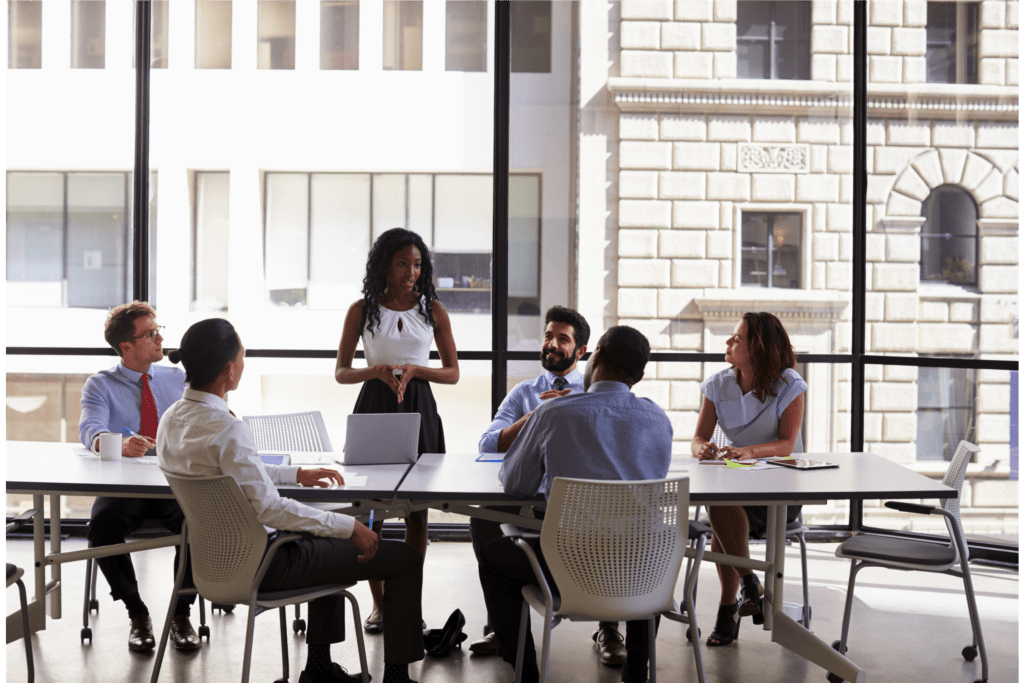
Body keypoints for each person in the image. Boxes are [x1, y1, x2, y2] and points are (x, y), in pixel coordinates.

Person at [158, 318, 425, 683]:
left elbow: (229, 478)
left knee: (323, 535)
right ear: (229, 369)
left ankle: (319, 669)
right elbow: (270, 509)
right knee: (404, 557)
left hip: (214, 566)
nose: (244, 364)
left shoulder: (171, 419)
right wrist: (351, 527)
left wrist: (294, 474)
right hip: (267, 565)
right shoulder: (226, 427)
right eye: (243, 358)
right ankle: (397, 677)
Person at [478, 325, 672, 683]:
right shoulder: (659, 419)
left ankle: (527, 674)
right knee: (645, 546)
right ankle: (636, 672)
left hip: (567, 567)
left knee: (493, 555)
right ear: (640, 375)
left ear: (594, 355)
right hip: (642, 574)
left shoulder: (554, 414)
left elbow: (516, 485)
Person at [471, 306, 626, 666]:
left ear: (582, 351)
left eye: (562, 338)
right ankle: (503, 623)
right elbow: (489, 443)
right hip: (531, 502)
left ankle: (609, 627)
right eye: (548, 335)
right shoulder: (524, 392)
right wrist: (537, 417)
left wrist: (570, 412)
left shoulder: (596, 393)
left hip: (587, 506)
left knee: (611, 525)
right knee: (482, 519)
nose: (551, 344)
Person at [335, 228, 459, 634]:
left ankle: (408, 604)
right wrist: (376, 370)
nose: (411, 272)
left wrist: (416, 369)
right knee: (371, 512)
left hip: (419, 407)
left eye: (418, 264)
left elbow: (453, 373)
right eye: (403, 263)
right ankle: (381, 604)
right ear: (385, 265)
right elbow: (340, 372)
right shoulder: (361, 309)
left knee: (417, 513)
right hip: (375, 406)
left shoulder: (433, 310)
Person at [78, 301, 200, 653]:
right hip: (124, 488)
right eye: (150, 334)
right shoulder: (100, 385)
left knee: (200, 522)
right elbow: (90, 431)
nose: (160, 337)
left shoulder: (177, 377)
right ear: (126, 347)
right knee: (101, 526)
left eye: (159, 329)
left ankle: (181, 614)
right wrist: (117, 442)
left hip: (173, 483)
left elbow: (203, 414)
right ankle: (137, 613)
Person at [691, 311, 807, 647]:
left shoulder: (790, 385)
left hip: (780, 489)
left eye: (737, 339)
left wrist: (749, 452)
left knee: (722, 528)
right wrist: (702, 449)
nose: (728, 342)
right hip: (737, 484)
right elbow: (698, 436)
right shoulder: (717, 385)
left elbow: (787, 443)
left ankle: (730, 607)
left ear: (757, 348)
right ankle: (749, 584)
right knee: (722, 508)